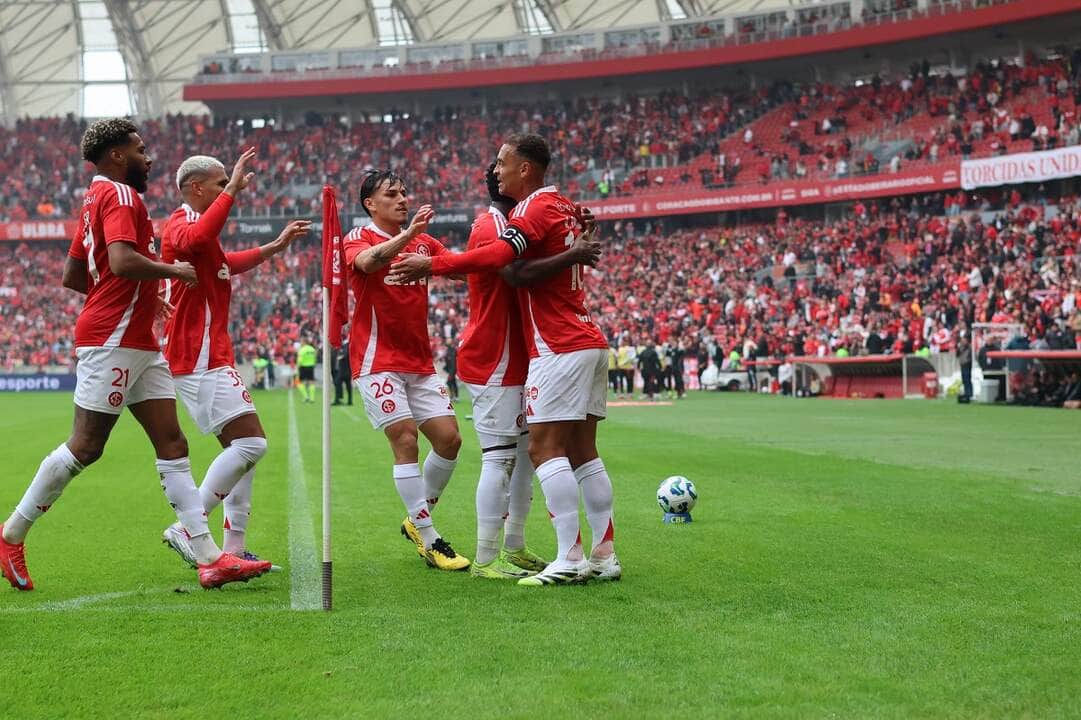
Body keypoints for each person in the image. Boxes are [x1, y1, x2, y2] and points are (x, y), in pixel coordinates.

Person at [0, 118, 270, 591]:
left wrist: (144, 297)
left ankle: (210, 558)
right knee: (86, 446)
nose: (149, 158)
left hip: (137, 338)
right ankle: (10, 534)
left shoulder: (92, 199)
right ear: (118, 155)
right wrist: (170, 272)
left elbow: (74, 275)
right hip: (115, 339)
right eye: (141, 150)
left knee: (173, 445)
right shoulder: (123, 196)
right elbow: (123, 261)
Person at [389, 134, 618, 586]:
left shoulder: (530, 211)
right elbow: (509, 264)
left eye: (502, 163)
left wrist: (433, 265)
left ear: (525, 170)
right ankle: (582, 553)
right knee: (562, 453)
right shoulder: (560, 208)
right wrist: (574, 248)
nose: (496, 170)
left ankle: (567, 558)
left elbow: (507, 265)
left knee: (542, 451)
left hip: (556, 344)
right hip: (554, 343)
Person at [158, 150, 311, 570]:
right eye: (221, 181)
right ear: (196, 188)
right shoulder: (183, 221)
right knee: (252, 443)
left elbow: (224, 264)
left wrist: (274, 247)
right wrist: (232, 191)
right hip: (198, 355)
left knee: (241, 448)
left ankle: (235, 548)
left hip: (208, 353)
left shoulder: (200, 229)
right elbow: (198, 241)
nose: (232, 185)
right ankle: (189, 526)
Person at [343, 170, 468, 571]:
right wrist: (409, 234)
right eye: (391, 194)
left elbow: (461, 268)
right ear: (370, 204)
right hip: (376, 360)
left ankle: (416, 518)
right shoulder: (358, 237)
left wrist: (435, 260)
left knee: (449, 440)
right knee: (406, 439)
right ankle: (430, 538)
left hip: (419, 361)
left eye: (403, 192)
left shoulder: (423, 241)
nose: (402, 198)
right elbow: (366, 263)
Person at [296, 337, 317, 403]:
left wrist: (297, 368)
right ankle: (312, 398)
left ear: (304, 342)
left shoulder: (302, 350)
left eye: (301, 342)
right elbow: (315, 358)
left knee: (298, 382)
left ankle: (306, 397)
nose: (300, 343)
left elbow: (300, 360)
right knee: (311, 382)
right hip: (311, 367)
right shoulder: (312, 349)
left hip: (303, 367)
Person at [334, 338, 352, 406]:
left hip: (345, 370)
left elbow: (345, 355)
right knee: (346, 385)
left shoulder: (346, 346)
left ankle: (339, 399)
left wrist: (340, 357)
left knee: (345, 385)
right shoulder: (344, 347)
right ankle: (339, 399)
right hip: (344, 370)